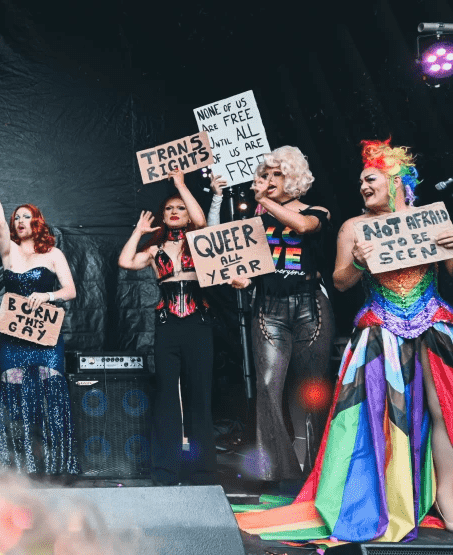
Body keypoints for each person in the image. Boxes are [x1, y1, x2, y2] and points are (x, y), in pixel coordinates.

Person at [236, 140, 453, 541]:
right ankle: (380, 498)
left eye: (369, 179)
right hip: (380, 325)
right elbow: (340, 281)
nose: (363, 187)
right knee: (380, 416)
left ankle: (446, 498)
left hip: (432, 321)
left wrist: (449, 247)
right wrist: (358, 260)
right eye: (360, 182)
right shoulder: (354, 226)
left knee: (442, 411)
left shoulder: (429, 220)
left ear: (394, 181)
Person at [212, 146, 335, 488]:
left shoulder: (316, 210)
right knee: (267, 387)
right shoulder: (254, 221)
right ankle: (280, 475)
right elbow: (243, 265)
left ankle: (320, 472)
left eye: (276, 174)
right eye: (263, 174)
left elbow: (304, 226)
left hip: (311, 305)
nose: (267, 180)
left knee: (312, 389)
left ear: (293, 177)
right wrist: (240, 279)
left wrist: (264, 201)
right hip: (269, 307)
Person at [0, 169, 78, 476]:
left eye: (25, 216)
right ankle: (18, 467)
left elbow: (71, 291)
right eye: (17, 217)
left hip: (45, 337)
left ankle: (54, 466)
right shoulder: (9, 251)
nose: (19, 221)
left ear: (36, 221)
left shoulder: (53, 254)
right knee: (14, 398)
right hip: (15, 336)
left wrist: (49, 295)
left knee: (50, 396)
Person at [118, 169, 215, 485]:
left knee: (199, 395)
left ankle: (203, 471)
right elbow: (125, 261)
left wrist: (181, 185)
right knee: (166, 397)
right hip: (167, 324)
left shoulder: (200, 242)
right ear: (163, 216)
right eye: (170, 208)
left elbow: (201, 222)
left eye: (180, 208)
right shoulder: (154, 250)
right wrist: (138, 231)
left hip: (198, 323)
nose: (175, 212)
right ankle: (165, 470)